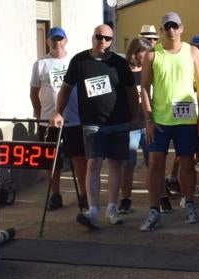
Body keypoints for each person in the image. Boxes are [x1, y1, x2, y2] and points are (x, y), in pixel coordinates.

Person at [52, 24, 139, 229]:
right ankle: (92, 211)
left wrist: (134, 117)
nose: (103, 41)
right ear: (92, 38)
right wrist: (58, 112)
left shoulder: (119, 63)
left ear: (112, 41)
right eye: (99, 37)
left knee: (115, 165)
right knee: (93, 163)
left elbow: (131, 93)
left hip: (118, 122)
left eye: (108, 38)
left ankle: (112, 208)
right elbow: (66, 89)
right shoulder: (79, 61)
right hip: (92, 123)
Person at [139, 12, 199, 230]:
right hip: (159, 120)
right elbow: (144, 88)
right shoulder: (152, 55)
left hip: (186, 119)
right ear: (161, 30)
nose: (171, 30)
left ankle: (189, 205)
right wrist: (148, 119)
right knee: (155, 165)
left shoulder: (192, 51)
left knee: (187, 163)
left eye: (175, 26)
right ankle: (154, 210)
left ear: (182, 28)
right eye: (167, 26)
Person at [30, 27, 86, 212]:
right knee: (51, 159)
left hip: (73, 119)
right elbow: (34, 92)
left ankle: (84, 194)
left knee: (79, 157)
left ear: (66, 41)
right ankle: (55, 194)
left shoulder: (74, 62)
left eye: (60, 39)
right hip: (49, 121)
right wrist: (40, 115)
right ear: (48, 42)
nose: (57, 42)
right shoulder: (40, 64)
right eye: (53, 39)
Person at [120, 37, 153, 213]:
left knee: (153, 163)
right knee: (128, 164)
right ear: (135, 52)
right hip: (130, 126)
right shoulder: (123, 71)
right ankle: (125, 199)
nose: (147, 57)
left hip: (148, 124)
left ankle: (159, 198)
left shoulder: (150, 69)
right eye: (144, 53)